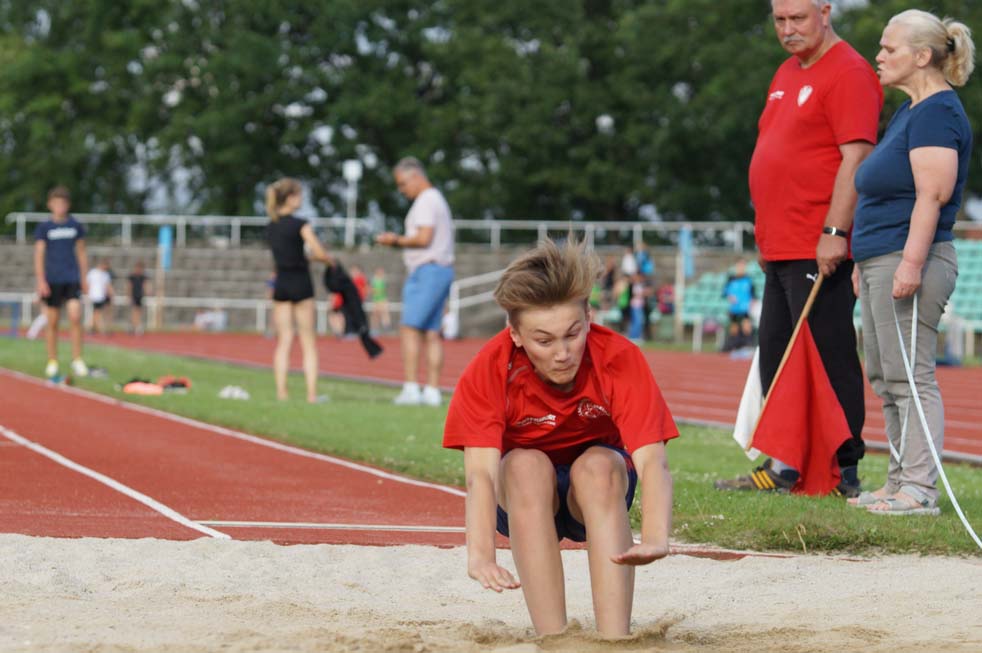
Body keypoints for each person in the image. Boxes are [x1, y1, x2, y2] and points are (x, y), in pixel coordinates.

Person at [443, 238, 677, 637]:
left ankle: (615, 639)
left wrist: (656, 536)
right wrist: (480, 555)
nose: (563, 353)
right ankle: (554, 639)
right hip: (524, 494)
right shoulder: (490, 368)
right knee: (525, 465)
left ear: (588, 316)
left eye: (572, 334)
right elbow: (480, 474)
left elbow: (652, 459)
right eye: (544, 341)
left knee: (598, 467)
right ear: (515, 334)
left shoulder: (618, 358)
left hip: (598, 489)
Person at [716, 0, 883, 496]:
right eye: (779, 20)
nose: (787, 29)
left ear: (825, 12)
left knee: (829, 356)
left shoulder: (849, 72)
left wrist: (835, 230)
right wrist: (764, 227)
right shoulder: (787, 71)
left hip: (817, 241)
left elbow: (857, 158)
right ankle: (786, 463)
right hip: (780, 242)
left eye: (798, 18)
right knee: (776, 356)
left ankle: (843, 468)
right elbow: (775, 151)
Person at [848, 10, 974, 515]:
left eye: (889, 48)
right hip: (880, 257)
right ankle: (899, 480)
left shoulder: (936, 113)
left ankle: (919, 488)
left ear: (922, 56)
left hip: (908, 257)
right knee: (886, 375)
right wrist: (862, 261)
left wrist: (911, 264)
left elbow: (932, 195)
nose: (878, 56)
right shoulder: (910, 110)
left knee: (910, 376)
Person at [376, 157, 455, 406]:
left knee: (409, 328)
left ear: (416, 177)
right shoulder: (436, 198)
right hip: (440, 269)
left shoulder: (426, 200)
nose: (402, 190)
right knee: (431, 333)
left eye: (403, 183)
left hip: (428, 270)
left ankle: (411, 388)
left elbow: (423, 238)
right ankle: (432, 391)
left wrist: (395, 240)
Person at [265, 177, 333, 403]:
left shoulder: (271, 226)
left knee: (284, 340)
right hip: (301, 282)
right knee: (307, 341)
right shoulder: (301, 224)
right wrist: (320, 259)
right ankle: (311, 395)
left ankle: (281, 393)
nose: (302, 199)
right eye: (299, 195)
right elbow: (319, 252)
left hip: (282, 283)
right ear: (290, 197)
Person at [33, 186, 89, 379]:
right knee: (53, 322)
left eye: (63, 203)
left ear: (68, 205)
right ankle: (52, 360)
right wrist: (41, 280)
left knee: (75, 316)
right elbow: (39, 254)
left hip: (71, 278)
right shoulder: (44, 228)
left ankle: (77, 359)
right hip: (52, 280)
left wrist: (84, 278)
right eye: (56, 203)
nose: (60, 206)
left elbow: (81, 252)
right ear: (50, 205)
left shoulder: (75, 226)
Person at [721, 258, 756, 352]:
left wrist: (751, 303)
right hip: (734, 309)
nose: (741, 267)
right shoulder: (731, 279)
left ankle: (748, 346)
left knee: (746, 327)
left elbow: (753, 295)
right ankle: (732, 347)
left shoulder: (749, 279)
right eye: (739, 265)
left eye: (743, 265)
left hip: (745, 308)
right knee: (734, 328)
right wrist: (730, 297)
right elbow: (724, 292)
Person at [86, 258, 114, 335]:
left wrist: (111, 294)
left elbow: (108, 286)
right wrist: (87, 293)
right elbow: (87, 283)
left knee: (96, 312)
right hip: (94, 295)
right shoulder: (92, 272)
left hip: (101, 296)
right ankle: (98, 328)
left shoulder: (105, 274)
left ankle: (92, 327)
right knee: (97, 312)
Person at [127, 261, 150, 335]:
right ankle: (134, 326)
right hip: (134, 296)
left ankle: (136, 326)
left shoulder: (143, 277)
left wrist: (147, 292)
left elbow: (145, 286)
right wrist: (129, 296)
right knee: (134, 311)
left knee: (138, 311)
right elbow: (129, 287)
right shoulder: (132, 277)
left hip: (140, 296)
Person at [369, 266, 392, 334]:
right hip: (376, 300)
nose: (381, 273)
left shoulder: (382, 280)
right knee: (375, 315)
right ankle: (374, 329)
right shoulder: (374, 280)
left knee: (384, 313)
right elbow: (372, 290)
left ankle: (386, 328)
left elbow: (380, 290)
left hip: (382, 300)